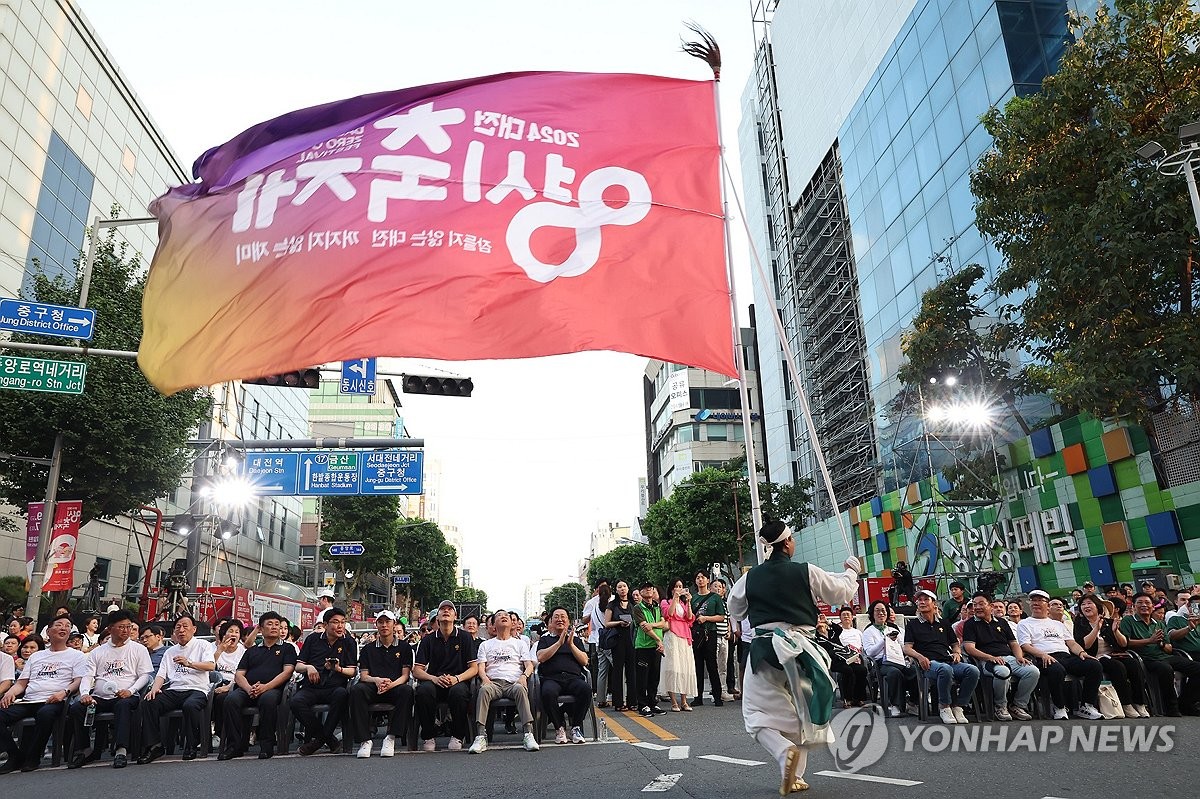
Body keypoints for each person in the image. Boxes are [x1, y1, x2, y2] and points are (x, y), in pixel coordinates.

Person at [727, 521, 860, 795]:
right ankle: (796, 776)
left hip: (767, 652)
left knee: (755, 715)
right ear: (787, 543)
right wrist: (851, 571)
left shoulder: (749, 577)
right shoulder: (806, 571)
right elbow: (841, 593)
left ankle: (783, 751)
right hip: (803, 654)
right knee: (801, 715)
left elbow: (735, 609)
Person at [0, 617, 87, 773]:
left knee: (45, 715)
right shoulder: (37, 656)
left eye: (67, 626)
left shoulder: (76, 656)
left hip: (54, 700)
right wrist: (10, 693)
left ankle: (33, 757)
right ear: (48, 632)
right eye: (59, 625)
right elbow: (21, 683)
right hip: (29, 700)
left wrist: (65, 692)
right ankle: (15, 755)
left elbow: (78, 680)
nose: (64, 628)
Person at [68, 609, 152, 769]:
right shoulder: (98, 652)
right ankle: (84, 750)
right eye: (121, 627)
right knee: (77, 708)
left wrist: (131, 690)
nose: (126, 630)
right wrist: (85, 694)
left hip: (126, 695)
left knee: (123, 706)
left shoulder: (138, 649)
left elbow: (144, 676)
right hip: (99, 697)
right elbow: (88, 676)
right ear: (110, 628)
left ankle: (121, 750)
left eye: (129, 627)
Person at [137, 614, 216, 763]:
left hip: (197, 689)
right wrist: (154, 689)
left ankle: (191, 745)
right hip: (175, 690)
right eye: (178, 627)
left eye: (185, 627)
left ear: (194, 629)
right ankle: (155, 745)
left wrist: (189, 663)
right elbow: (161, 674)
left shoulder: (202, 645)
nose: (181, 630)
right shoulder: (170, 651)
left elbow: (211, 666)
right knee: (149, 702)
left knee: (190, 706)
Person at [1016, 589, 1104, 720]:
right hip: (1043, 657)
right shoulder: (1024, 623)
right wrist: (1042, 655)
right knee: (1057, 670)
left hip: (1065, 655)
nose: (1036, 603)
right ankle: (1059, 707)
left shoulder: (1057, 624)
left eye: (1040, 600)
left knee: (1094, 665)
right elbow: (1025, 645)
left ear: (1047, 604)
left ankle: (1087, 706)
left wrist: (1082, 652)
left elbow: (1071, 643)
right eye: (1033, 600)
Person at [219, 611, 296, 760]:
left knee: (267, 700)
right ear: (260, 628)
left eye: (277, 625)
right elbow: (239, 674)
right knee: (230, 700)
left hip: (272, 689)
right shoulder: (252, 651)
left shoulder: (288, 648)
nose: (274, 627)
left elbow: (287, 673)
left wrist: (265, 687)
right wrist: (248, 688)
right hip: (249, 688)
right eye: (270, 624)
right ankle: (235, 746)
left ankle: (266, 746)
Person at [904, 589, 980, 724]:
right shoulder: (913, 624)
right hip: (929, 664)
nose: (922, 602)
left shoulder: (944, 623)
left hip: (948, 660)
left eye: (926, 599)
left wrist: (957, 652)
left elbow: (955, 644)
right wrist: (920, 657)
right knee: (944, 669)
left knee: (972, 670)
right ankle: (944, 706)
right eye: (919, 600)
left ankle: (958, 706)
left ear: (934, 604)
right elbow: (907, 648)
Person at [468, 609, 538, 753]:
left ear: (512, 622)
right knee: (483, 690)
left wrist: (524, 676)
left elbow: (529, 664)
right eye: (499, 616)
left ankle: (528, 734)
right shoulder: (486, 645)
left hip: (514, 682)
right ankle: (480, 736)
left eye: (506, 615)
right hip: (494, 683)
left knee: (520, 689)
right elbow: (481, 667)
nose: (504, 617)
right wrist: (485, 678)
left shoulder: (520, 644)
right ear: (493, 625)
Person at [961, 592, 1038, 721]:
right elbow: (969, 648)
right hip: (987, 661)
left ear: (990, 606)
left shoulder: (1002, 622)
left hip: (1008, 658)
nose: (977, 607)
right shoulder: (970, 624)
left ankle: (1018, 705)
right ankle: (1000, 706)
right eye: (975, 605)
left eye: (981, 604)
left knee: (1032, 671)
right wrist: (990, 657)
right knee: (1003, 672)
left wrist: (1019, 656)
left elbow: (1013, 643)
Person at [412, 599, 477, 751]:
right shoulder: (428, 640)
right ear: (437, 617)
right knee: (423, 691)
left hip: (458, 680)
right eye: (442, 609)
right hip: (435, 681)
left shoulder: (465, 637)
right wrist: (434, 678)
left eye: (450, 609)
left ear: (455, 616)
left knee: (459, 692)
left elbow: (473, 668)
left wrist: (457, 679)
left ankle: (457, 735)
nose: (446, 611)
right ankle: (428, 736)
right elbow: (417, 670)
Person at [1121, 593, 1200, 716]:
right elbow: (1125, 642)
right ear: (1134, 606)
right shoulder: (1128, 621)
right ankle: (1171, 708)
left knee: (1197, 668)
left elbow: (1169, 648)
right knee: (1165, 669)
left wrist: (1161, 644)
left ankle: (1186, 703)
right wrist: (1149, 641)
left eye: (1147, 603)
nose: (1144, 605)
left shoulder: (1158, 623)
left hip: (1164, 656)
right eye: (1140, 603)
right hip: (1145, 658)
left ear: (1153, 606)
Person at [293, 606, 357, 755]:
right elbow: (298, 666)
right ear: (326, 625)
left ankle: (319, 741)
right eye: (335, 622)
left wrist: (338, 669)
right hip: (312, 686)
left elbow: (352, 671)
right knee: (296, 702)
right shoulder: (313, 639)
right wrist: (309, 667)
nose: (340, 626)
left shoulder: (349, 642)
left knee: (342, 695)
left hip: (335, 687)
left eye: (342, 622)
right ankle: (328, 739)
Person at [351, 610, 413, 758]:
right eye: (381, 622)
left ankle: (391, 737)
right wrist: (377, 680)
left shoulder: (404, 648)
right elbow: (364, 676)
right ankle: (365, 740)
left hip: (395, 686)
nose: (384, 625)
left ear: (394, 624)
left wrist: (391, 685)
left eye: (388, 622)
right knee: (356, 690)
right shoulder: (368, 649)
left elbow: (405, 675)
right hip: (373, 686)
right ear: (377, 625)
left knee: (407, 691)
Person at [1073, 594, 1147, 718]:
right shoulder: (1080, 623)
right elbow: (1085, 645)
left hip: (1115, 655)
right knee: (1117, 667)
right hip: (1095, 657)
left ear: (1098, 606)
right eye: (1083, 604)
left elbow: (1124, 644)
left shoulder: (1109, 622)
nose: (1086, 606)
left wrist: (1115, 631)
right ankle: (1125, 704)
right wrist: (1096, 628)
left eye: (1089, 603)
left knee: (1134, 664)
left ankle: (1140, 703)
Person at [536, 606, 590, 744]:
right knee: (547, 692)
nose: (560, 619)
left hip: (573, 678)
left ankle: (576, 726)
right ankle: (559, 727)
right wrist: (559, 643)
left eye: (563, 617)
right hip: (552, 679)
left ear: (568, 621)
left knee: (585, 689)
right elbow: (541, 657)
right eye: (556, 617)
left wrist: (570, 644)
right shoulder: (545, 639)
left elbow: (584, 660)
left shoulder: (576, 640)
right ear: (551, 621)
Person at [860, 600, 916, 717]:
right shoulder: (868, 632)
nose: (881, 613)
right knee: (894, 673)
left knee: (915, 671)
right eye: (877, 610)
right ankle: (895, 705)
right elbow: (870, 652)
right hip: (881, 663)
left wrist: (908, 654)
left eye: (883, 611)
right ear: (872, 614)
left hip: (898, 660)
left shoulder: (892, 629)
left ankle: (913, 702)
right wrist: (884, 640)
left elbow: (903, 646)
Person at [690, 570, 727, 707]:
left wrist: (706, 618)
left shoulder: (715, 598)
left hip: (710, 633)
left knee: (712, 665)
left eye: (703, 577)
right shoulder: (693, 598)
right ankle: (697, 697)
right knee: (697, 666)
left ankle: (717, 696)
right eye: (698, 577)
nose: (700, 580)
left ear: (707, 580)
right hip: (696, 634)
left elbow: (721, 616)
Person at [660, 578, 697, 712]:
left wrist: (688, 602)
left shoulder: (683, 603)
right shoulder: (666, 602)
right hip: (672, 636)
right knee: (672, 666)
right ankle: (674, 701)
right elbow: (668, 614)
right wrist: (675, 598)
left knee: (685, 667)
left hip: (685, 636)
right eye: (676, 586)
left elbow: (689, 617)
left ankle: (684, 701)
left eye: (681, 586)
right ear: (671, 588)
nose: (679, 588)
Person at [210, 618, 247, 752]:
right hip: (214, 683)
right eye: (230, 631)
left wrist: (228, 687)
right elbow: (209, 667)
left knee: (222, 699)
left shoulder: (242, 651)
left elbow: (242, 674)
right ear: (223, 634)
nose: (234, 634)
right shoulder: (213, 648)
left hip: (234, 684)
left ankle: (220, 733)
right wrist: (220, 650)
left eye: (237, 632)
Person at [632, 582, 666, 716]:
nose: (649, 590)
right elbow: (644, 628)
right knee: (642, 677)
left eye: (651, 588)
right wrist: (658, 640)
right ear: (640, 592)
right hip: (644, 646)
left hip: (656, 647)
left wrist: (653, 625)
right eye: (645, 588)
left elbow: (663, 623)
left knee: (654, 676)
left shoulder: (657, 606)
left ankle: (652, 703)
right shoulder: (638, 608)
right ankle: (642, 704)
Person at [602, 580, 637, 711]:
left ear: (628, 588)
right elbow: (606, 623)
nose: (622, 589)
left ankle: (632, 701)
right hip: (617, 641)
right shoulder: (612, 605)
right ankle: (618, 703)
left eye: (624, 586)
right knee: (617, 672)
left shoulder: (633, 604)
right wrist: (619, 622)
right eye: (619, 587)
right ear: (616, 590)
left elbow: (638, 620)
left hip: (632, 640)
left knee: (631, 671)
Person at [830, 608, 868, 706]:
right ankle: (847, 698)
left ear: (852, 618)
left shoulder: (857, 632)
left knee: (862, 670)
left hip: (857, 658)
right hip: (842, 658)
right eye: (844, 615)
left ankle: (859, 698)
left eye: (848, 615)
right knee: (848, 671)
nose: (846, 616)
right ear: (840, 618)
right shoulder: (838, 631)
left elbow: (862, 646)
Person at [583, 578, 611, 706]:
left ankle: (602, 698)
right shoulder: (593, 603)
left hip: (600, 639)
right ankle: (619, 697)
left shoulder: (604, 602)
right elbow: (585, 620)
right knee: (615, 669)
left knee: (602, 670)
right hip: (606, 639)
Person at [712, 579, 737, 700]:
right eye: (715, 586)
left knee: (723, 666)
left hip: (724, 637)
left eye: (720, 587)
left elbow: (727, 618)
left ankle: (723, 690)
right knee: (715, 665)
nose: (717, 588)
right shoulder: (710, 602)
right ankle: (715, 691)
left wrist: (728, 631)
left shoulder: (725, 603)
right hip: (714, 636)